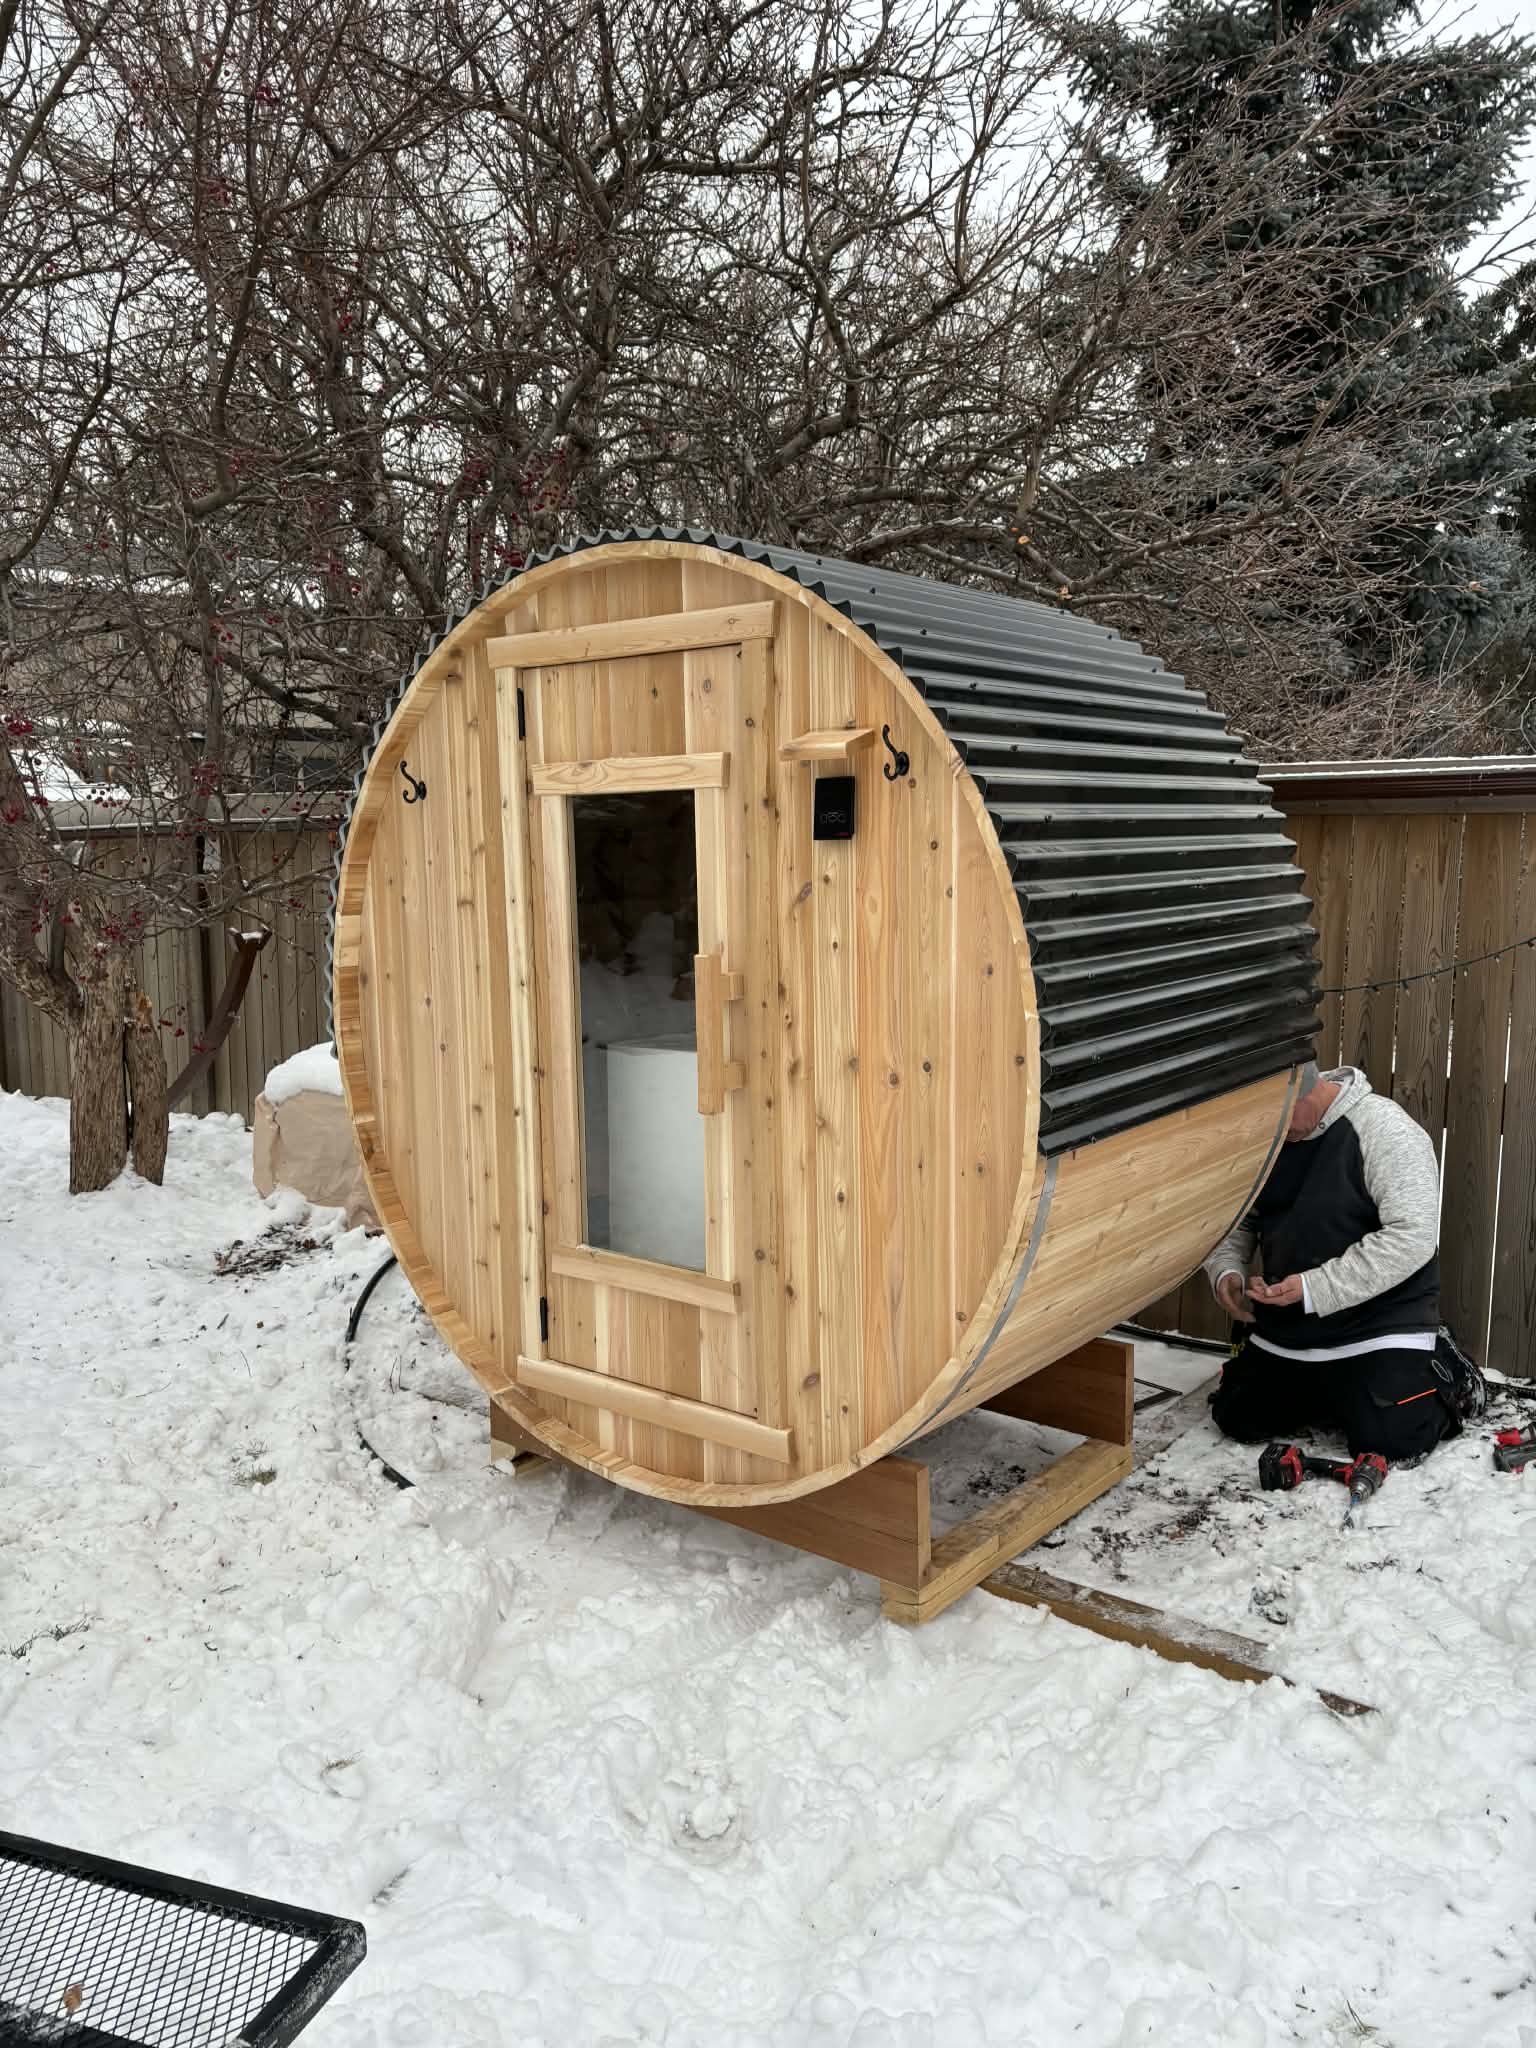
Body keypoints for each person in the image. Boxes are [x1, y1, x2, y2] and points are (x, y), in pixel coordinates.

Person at [1204, 1060, 1455, 1461]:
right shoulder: (1267, 1139)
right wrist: (1227, 1274)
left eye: (1279, 1121)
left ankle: (1445, 1369)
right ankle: (1335, 1393)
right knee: (1238, 1417)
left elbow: (1413, 1236)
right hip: (1293, 1327)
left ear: (1307, 1088)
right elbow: (1238, 1221)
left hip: (1379, 1325)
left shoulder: (1384, 1128)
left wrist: (1313, 1287)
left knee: (1393, 1439)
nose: (1274, 1135)